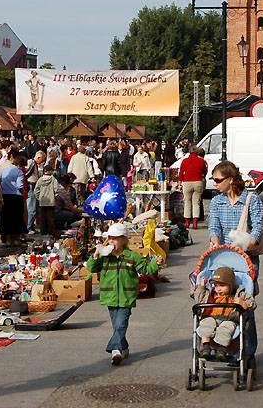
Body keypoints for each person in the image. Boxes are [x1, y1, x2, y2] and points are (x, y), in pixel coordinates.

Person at [208, 160, 263, 362]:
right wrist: (214, 242)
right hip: (223, 258)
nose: (214, 184)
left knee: (243, 303)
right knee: (220, 299)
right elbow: (214, 227)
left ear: (230, 180)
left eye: (218, 180)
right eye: (213, 180)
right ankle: (219, 344)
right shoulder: (216, 202)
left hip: (246, 259)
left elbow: (258, 225)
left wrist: (249, 242)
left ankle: (247, 350)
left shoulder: (251, 199)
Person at [86, 222, 161, 365]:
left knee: (121, 324)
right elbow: (92, 268)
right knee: (117, 325)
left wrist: (156, 263)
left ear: (124, 239)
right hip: (110, 296)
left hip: (127, 296)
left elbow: (146, 269)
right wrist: (96, 254)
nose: (112, 241)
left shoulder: (131, 256)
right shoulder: (104, 256)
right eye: (110, 238)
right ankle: (124, 347)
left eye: (116, 238)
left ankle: (115, 350)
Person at [195, 266, 256, 360]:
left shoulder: (239, 294)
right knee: (205, 323)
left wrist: (243, 303)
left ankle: (221, 349)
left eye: (222, 286)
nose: (218, 289)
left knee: (226, 328)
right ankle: (205, 346)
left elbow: (252, 304)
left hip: (229, 319)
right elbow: (199, 299)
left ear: (231, 285)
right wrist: (201, 287)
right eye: (215, 285)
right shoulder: (210, 294)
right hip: (212, 317)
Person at [0, 147, 26, 246]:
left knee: (6, 219)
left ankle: (8, 240)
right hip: (16, 197)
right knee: (16, 218)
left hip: (5, 196)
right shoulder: (19, 172)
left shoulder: (4, 170)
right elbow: (20, 186)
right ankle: (16, 239)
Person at [177, 144, 207, 229]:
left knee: (187, 202)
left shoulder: (184, 161)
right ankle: (195, 222)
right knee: (196, 202)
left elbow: (181, 173)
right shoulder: (201, 161)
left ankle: (187, 222)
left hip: (187, 182)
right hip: (198, 182)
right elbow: (204, 171)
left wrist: (179, 182)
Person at [34, 165, 60, 236]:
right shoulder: (53, 179)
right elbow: (56, 189)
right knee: (50, 217)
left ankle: (43, 232)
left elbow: (36, 190)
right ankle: (50, 232)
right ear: (50, 171)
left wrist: (39, 198)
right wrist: (55, 197)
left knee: (42, 218)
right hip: (51, 202)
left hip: (42, 201)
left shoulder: (40, 180)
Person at [26, 150, 46, 233]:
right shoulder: (31, 163)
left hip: (33, 185)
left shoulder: (33, 163)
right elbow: (26, 174)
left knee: (34, 207)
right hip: (31, 185)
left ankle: (31, 225)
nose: (42, 162)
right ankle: (29, 226)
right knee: (32, 207)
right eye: (42, 160)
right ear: (39, 157)